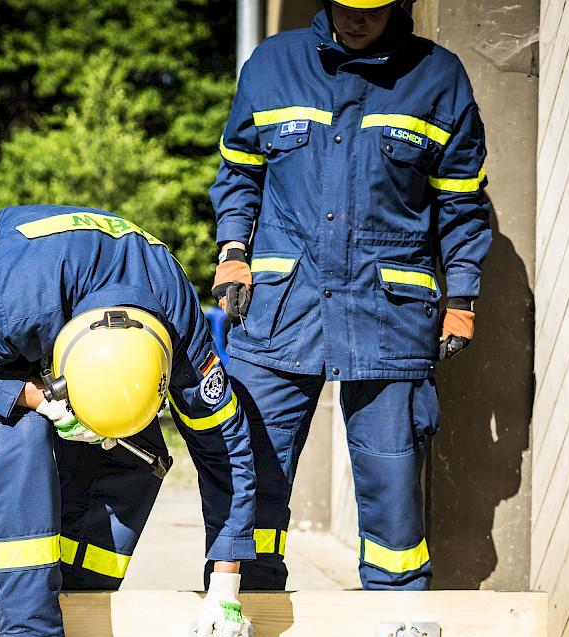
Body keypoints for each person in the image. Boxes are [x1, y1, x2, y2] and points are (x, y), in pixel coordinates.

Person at [0, 204, 257, 637]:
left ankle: (79, 603)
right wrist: (33, 396)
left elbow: (225, 452)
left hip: (87, 304)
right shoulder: (10, 301)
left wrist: (225, 585)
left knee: (136, 456)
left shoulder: (183, 334)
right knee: (23, 441)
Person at [208, 0, 491, 590]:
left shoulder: (438, 78)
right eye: (344, 7)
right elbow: (239, 173)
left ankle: (395, 618)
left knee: (393, 482)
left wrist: (461, 298)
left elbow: (462, 204)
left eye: (373, 10)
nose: (355, 20)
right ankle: (249, 598)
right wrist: (233, 252)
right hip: (283, 309)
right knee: (253, 465)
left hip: (388, 313)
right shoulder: (272, 65)